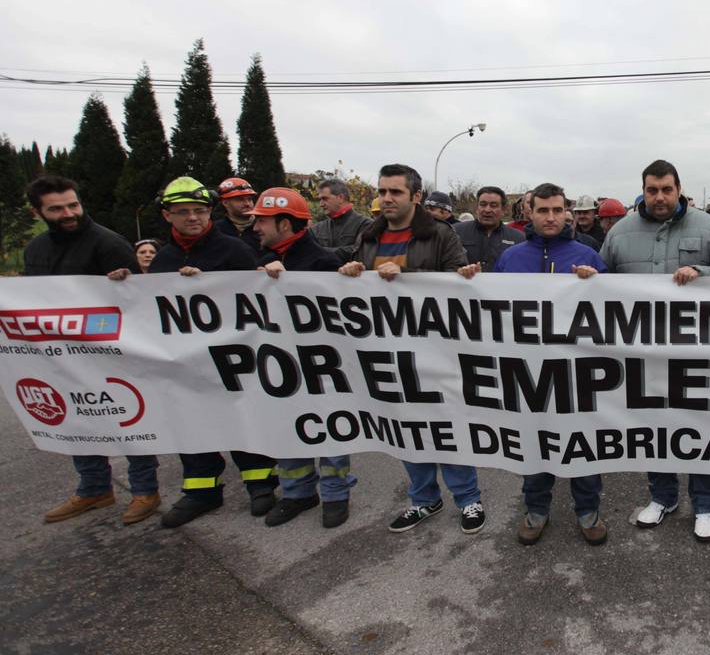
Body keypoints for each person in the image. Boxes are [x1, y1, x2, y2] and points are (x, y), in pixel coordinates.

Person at [600, 159, 710, 541]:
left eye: (666, 189)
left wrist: (704, 274)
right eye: (652, 190)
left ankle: (705, 506)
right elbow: (599, 285)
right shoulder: (620, 232)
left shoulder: (708, 226)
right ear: (643, 190)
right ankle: (662, 497)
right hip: (642, 356)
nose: (660, 197)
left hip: (696, 353)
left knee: (699, 427)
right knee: (654, 428)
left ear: (678, 189)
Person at [340, 164, 484, 535]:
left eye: (396, 192)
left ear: (416, 197)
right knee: (406, 428)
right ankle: (424, 500)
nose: (386, 198)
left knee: (448, 427)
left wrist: (408, 279)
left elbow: (457, 285)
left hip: (436, 353)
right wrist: (354, 274)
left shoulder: (439, 234)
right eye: (383, 191)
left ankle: (468, 499)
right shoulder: (369, 236)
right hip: (386, 354)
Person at [465, 183, 610, 546]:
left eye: (557, 210)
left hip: (579, 373)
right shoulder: (511, 258)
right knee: (535, 443)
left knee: (583, 444)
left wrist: (597, 286)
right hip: (528, 372)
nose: (550, 217)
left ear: (567, 213)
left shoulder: (588, 254)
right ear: (528, 212)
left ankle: (588, 511)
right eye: (542, 210)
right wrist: (466, 284)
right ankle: (536, 509)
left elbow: (616, 313)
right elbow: (489, 310)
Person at [136, 176, 278, 528]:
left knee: (244, 417)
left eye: (199, 211)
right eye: (183, 212)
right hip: (186, 362)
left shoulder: (234, 251)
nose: (193, 218)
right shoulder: (163, 261)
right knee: (191, 421)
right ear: (168, 216)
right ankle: (201, 490)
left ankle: (260, 483)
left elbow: (260, 302)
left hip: (235, 358)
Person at [24, 175, 160, 526]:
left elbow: (137, 303)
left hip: (110, 354)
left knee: (129, 417)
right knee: (76, 420)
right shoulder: (35, 250)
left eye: (73, 205)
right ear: (37, 211)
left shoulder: (108, 244)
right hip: (60, 354)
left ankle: (145, 489)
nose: (69, 213)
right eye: (57, 209)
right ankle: (94, 489)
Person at [249, 188, 355, 529]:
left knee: (332, 430)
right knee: (288, 427)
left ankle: (336, 494)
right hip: (279, 365)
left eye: (262, 221)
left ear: (283, 223)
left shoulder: (322, 262)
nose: (255, 228)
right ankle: (297, 493)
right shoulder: (256, 259)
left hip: (325, 367)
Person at [454, 186, 524, 272]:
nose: (487, 210)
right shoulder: (456, 232)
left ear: (503, 209)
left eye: (493, 205)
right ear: (477, 208)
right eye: (483, 204)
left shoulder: (518, 238)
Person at [310, 178, 370, 259]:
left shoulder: (365, 225)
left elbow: (362, 252)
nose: (321, 204)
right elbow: (307, 253)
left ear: (340, 198)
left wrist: (321, 252)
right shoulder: (316, 229)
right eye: (320, 199)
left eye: (325, 199)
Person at [215, 177, 262, 256]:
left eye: (249, 199)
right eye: (240, 199)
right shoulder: (216, 230)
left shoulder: (264, 228)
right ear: (225, 203)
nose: (247, 204)